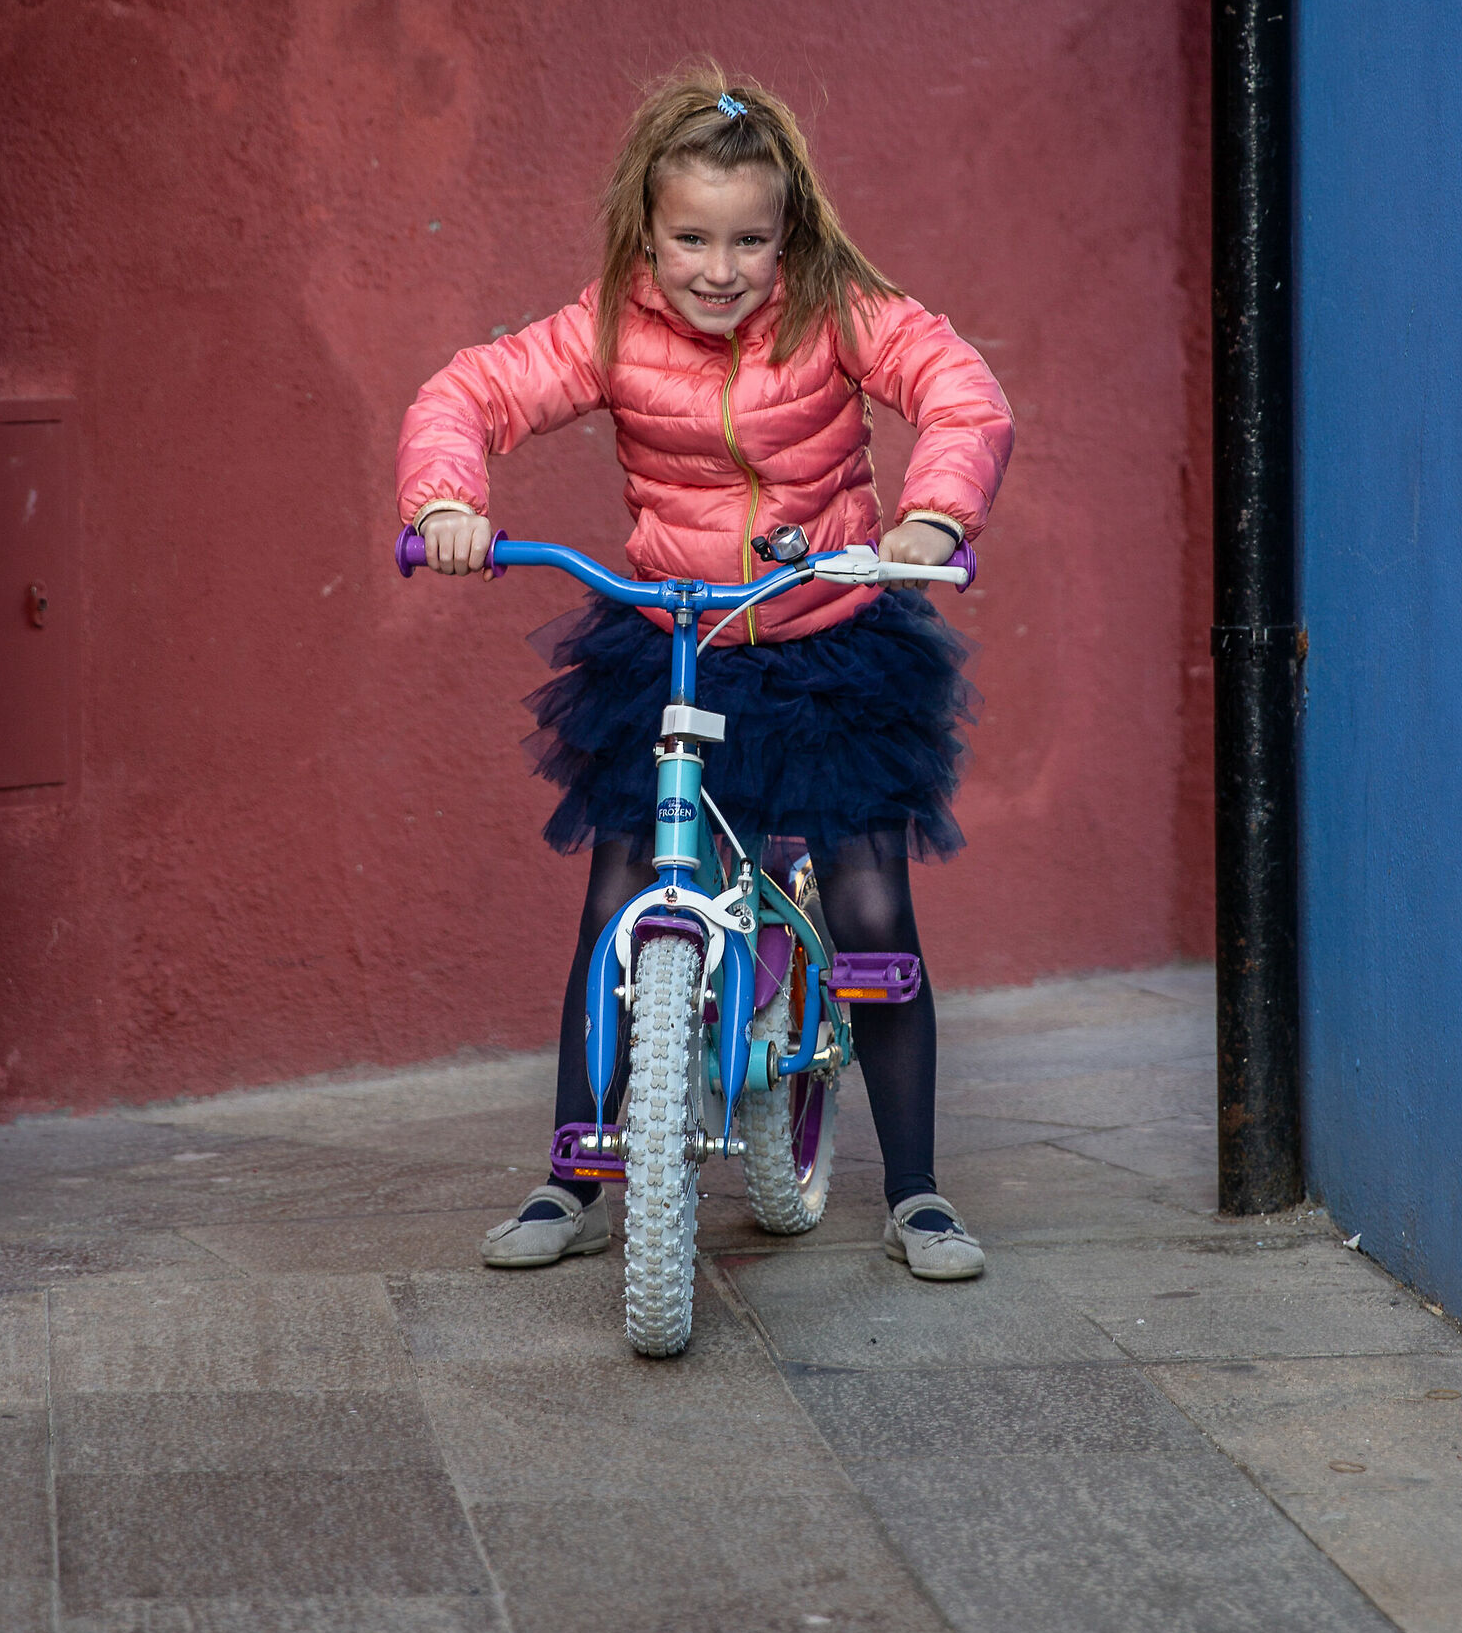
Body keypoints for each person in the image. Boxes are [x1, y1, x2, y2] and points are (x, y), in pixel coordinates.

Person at [397, 67, 1014, 1281]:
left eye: (748, 239)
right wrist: (449, 497)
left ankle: (918, 1194)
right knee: (620, 890)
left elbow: (960, 394)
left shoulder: (840, 311)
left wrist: (932, 520)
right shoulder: (610, 327)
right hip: (675, 636)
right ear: (645, 228)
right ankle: (574, 1170)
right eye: (690, 238)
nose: (719, 268)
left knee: (871, 907)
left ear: (791, 235)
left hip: (829, 636)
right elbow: (471, 390)